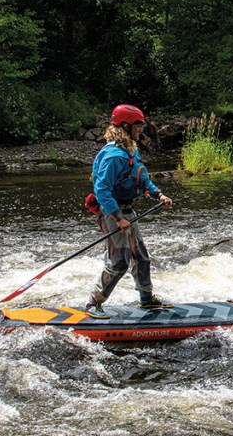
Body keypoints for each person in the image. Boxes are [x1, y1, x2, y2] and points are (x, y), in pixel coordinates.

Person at [85, 104, 172, 318]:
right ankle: (92, 304)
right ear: (126, 125)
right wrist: (117, 217)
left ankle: (146, 299)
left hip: (128, 212)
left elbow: (143, 179)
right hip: (112, 212)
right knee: (119, 262)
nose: (141, 129)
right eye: (138, 125)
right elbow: (102, 190)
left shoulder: (131, 151)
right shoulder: (114, 156)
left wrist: (158, 194)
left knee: (141, 257)